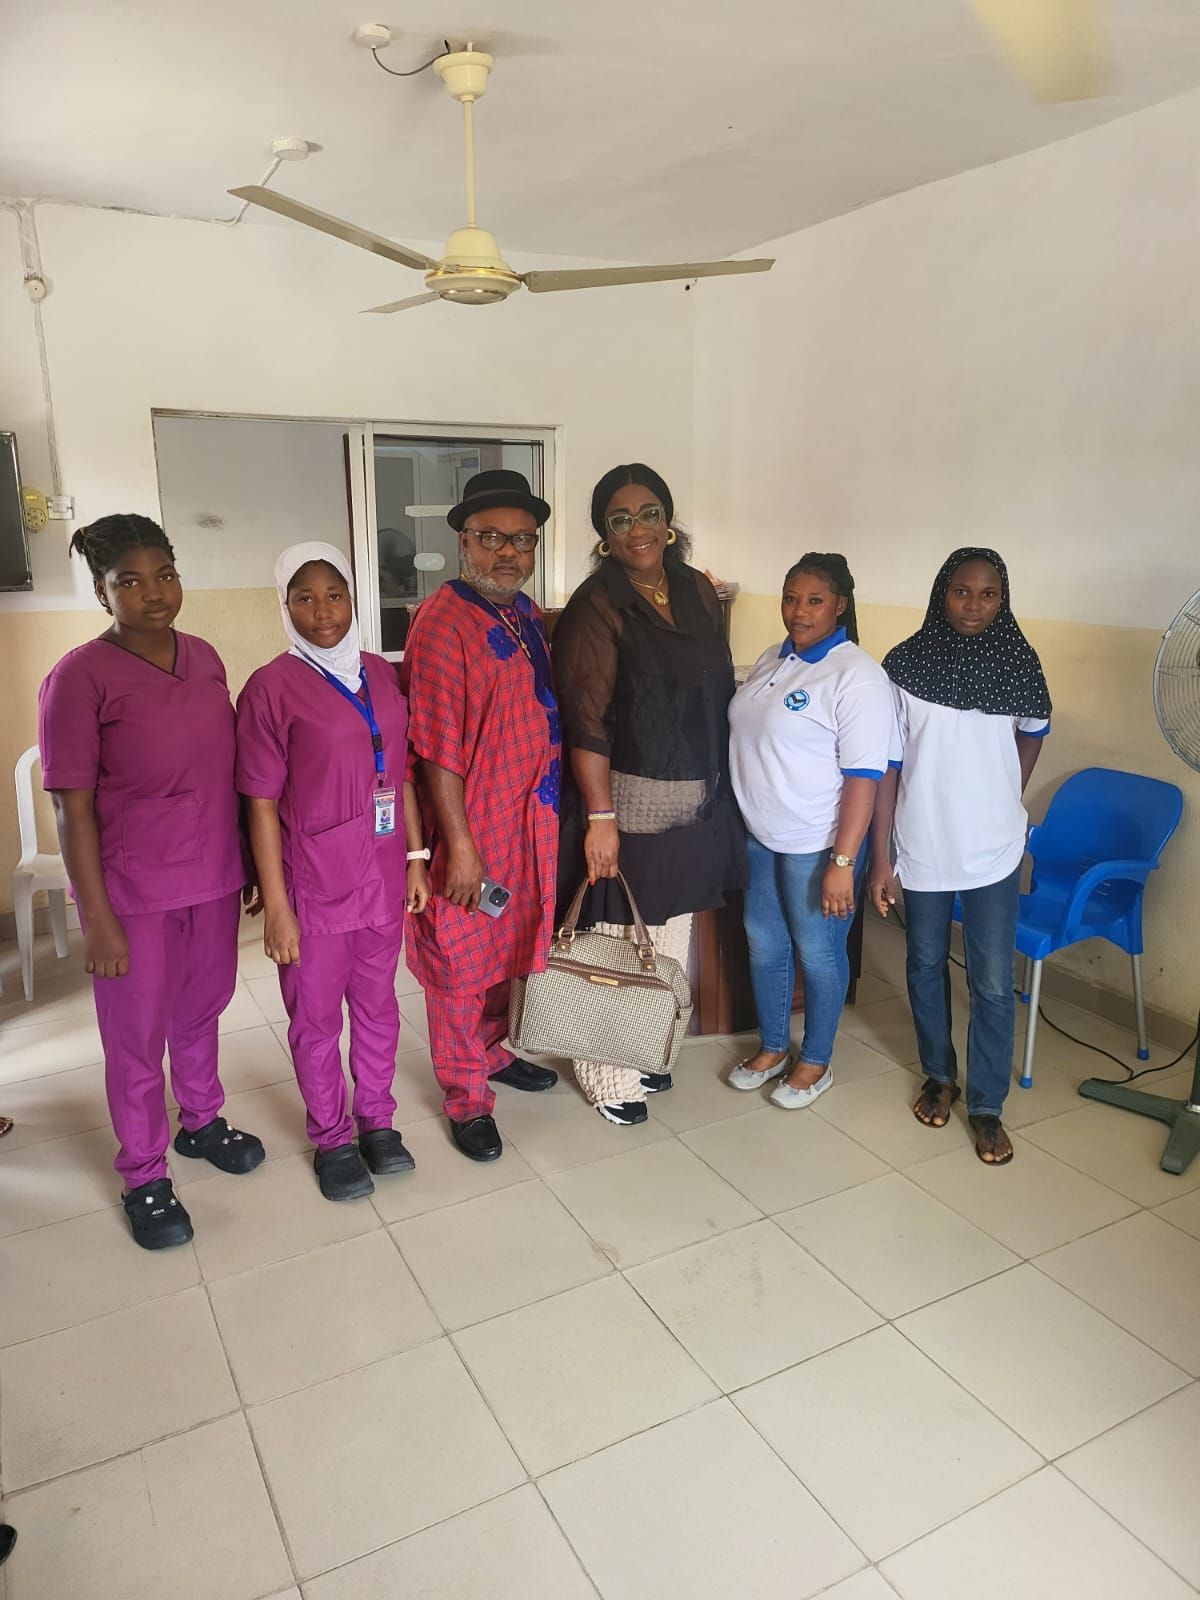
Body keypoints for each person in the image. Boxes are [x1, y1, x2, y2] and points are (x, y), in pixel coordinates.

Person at [39, 514, 265, 1251]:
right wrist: (96, 918)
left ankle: (200, 1121)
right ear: (103, 593)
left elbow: (226, 773)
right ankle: (143, 1172)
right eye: (128, 581)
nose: (153, 593)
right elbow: (73, 808)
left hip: (212, 877)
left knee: (202, 1009)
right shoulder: (79, 678)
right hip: (132, 891)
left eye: (163, 574)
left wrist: (251, 862)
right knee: (135, 1040)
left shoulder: (203, 658)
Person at [553, 464, 745, 1125]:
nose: (639, 528)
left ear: (670, 520)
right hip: (629, 799)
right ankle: (605, 1072)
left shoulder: (696, 589)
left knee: (667, 941)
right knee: (618, 938)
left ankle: (637, 1046)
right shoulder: (597, 606)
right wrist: (599, 817)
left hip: (695, 797)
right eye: (620, 519)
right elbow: (585, 721)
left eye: (650, 512)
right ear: (605, 536)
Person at [237, 542, 429, 1201]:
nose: (323, 612)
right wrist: (279, 905)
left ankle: (377, 1121)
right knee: (316, 1020)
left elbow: (399, 775)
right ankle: (332, 1136)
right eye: (304, 597)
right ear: (285, 607)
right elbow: (260, 803)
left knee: (378, 1009)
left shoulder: (380, 673)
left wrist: (415, 858)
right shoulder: (270, 687)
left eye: (334, 594)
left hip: (379, 878)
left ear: (355, 597)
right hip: (314, 886)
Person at [869, 547, 1051, 1166]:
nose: (974, 605)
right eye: (962, 592)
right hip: (921, 842)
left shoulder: (1019, 662)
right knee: (923, 964)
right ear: (941, 593)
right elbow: (889, 763)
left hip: (993, 847)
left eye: (988, 594)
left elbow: (1033, 733)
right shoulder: (904, 664)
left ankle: (987, 1106)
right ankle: (939, 1076)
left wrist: (1005, 796)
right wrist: (881, 853)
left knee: (995, 982)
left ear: (1004, 599)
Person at [402, 470, 561, 1162]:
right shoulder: (443, 621)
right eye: (492, 537)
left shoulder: (522, 613)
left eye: (521, 540)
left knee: (505, 950)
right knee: (461, 962)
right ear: (463, 542)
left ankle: (494, 1053)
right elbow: (435, 747)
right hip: (475, 830)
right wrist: (459, 848)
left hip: (529, 824)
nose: (508, 552)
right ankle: (467, 1096)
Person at [727, 554, 894, 1107]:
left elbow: (865, 778)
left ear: (840, 605)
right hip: (760, 836)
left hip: (817, 845)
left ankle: (816, 1060)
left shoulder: (858, 676)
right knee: (764, 944)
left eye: (814, 600)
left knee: (819, 954)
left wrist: (843, 864)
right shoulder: (774, 656)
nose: (798, 611)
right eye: (790, 597)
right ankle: (774, 1045)